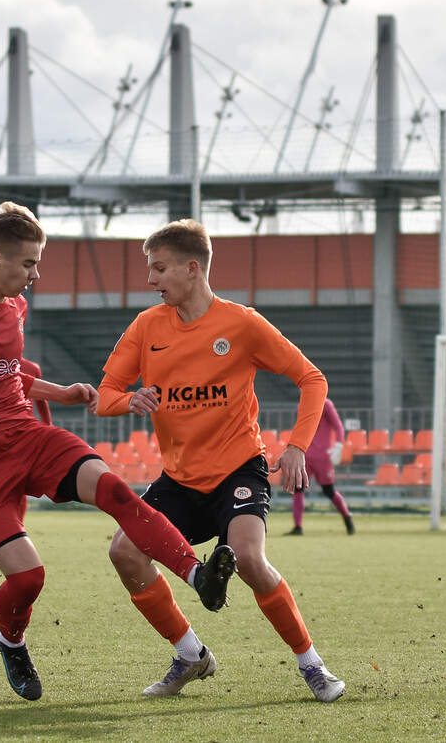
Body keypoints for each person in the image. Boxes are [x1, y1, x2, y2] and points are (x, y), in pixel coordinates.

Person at [0, 202, 236, 702]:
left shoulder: (15, 306)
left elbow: (8, 371)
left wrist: (59, 393)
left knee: (114, 489)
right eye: (30, 263)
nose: (36, 274)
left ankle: (197, 574)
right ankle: (10, 640)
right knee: (28, 576)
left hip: (23, 435)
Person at [96, 218, 346, 703]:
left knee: (250, 559)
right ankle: (190, 654)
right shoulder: (146, 326)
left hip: (238, 469)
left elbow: (312, 378)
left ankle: (311, 664)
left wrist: (296, 446)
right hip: (179, 479)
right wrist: (131, 400)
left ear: (192, 269)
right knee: (124, 550)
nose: (151, 280)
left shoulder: (242, 323)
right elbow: (104, 394)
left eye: (159, 268)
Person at [286, 397, 355, 536]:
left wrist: (339, 445)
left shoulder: (326, 404)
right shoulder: (302, 405)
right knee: (298, 488)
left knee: (328, 490)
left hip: (323, 457)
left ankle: (347, 517)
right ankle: (298, 526)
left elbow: (338, 426)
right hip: (306, 455)